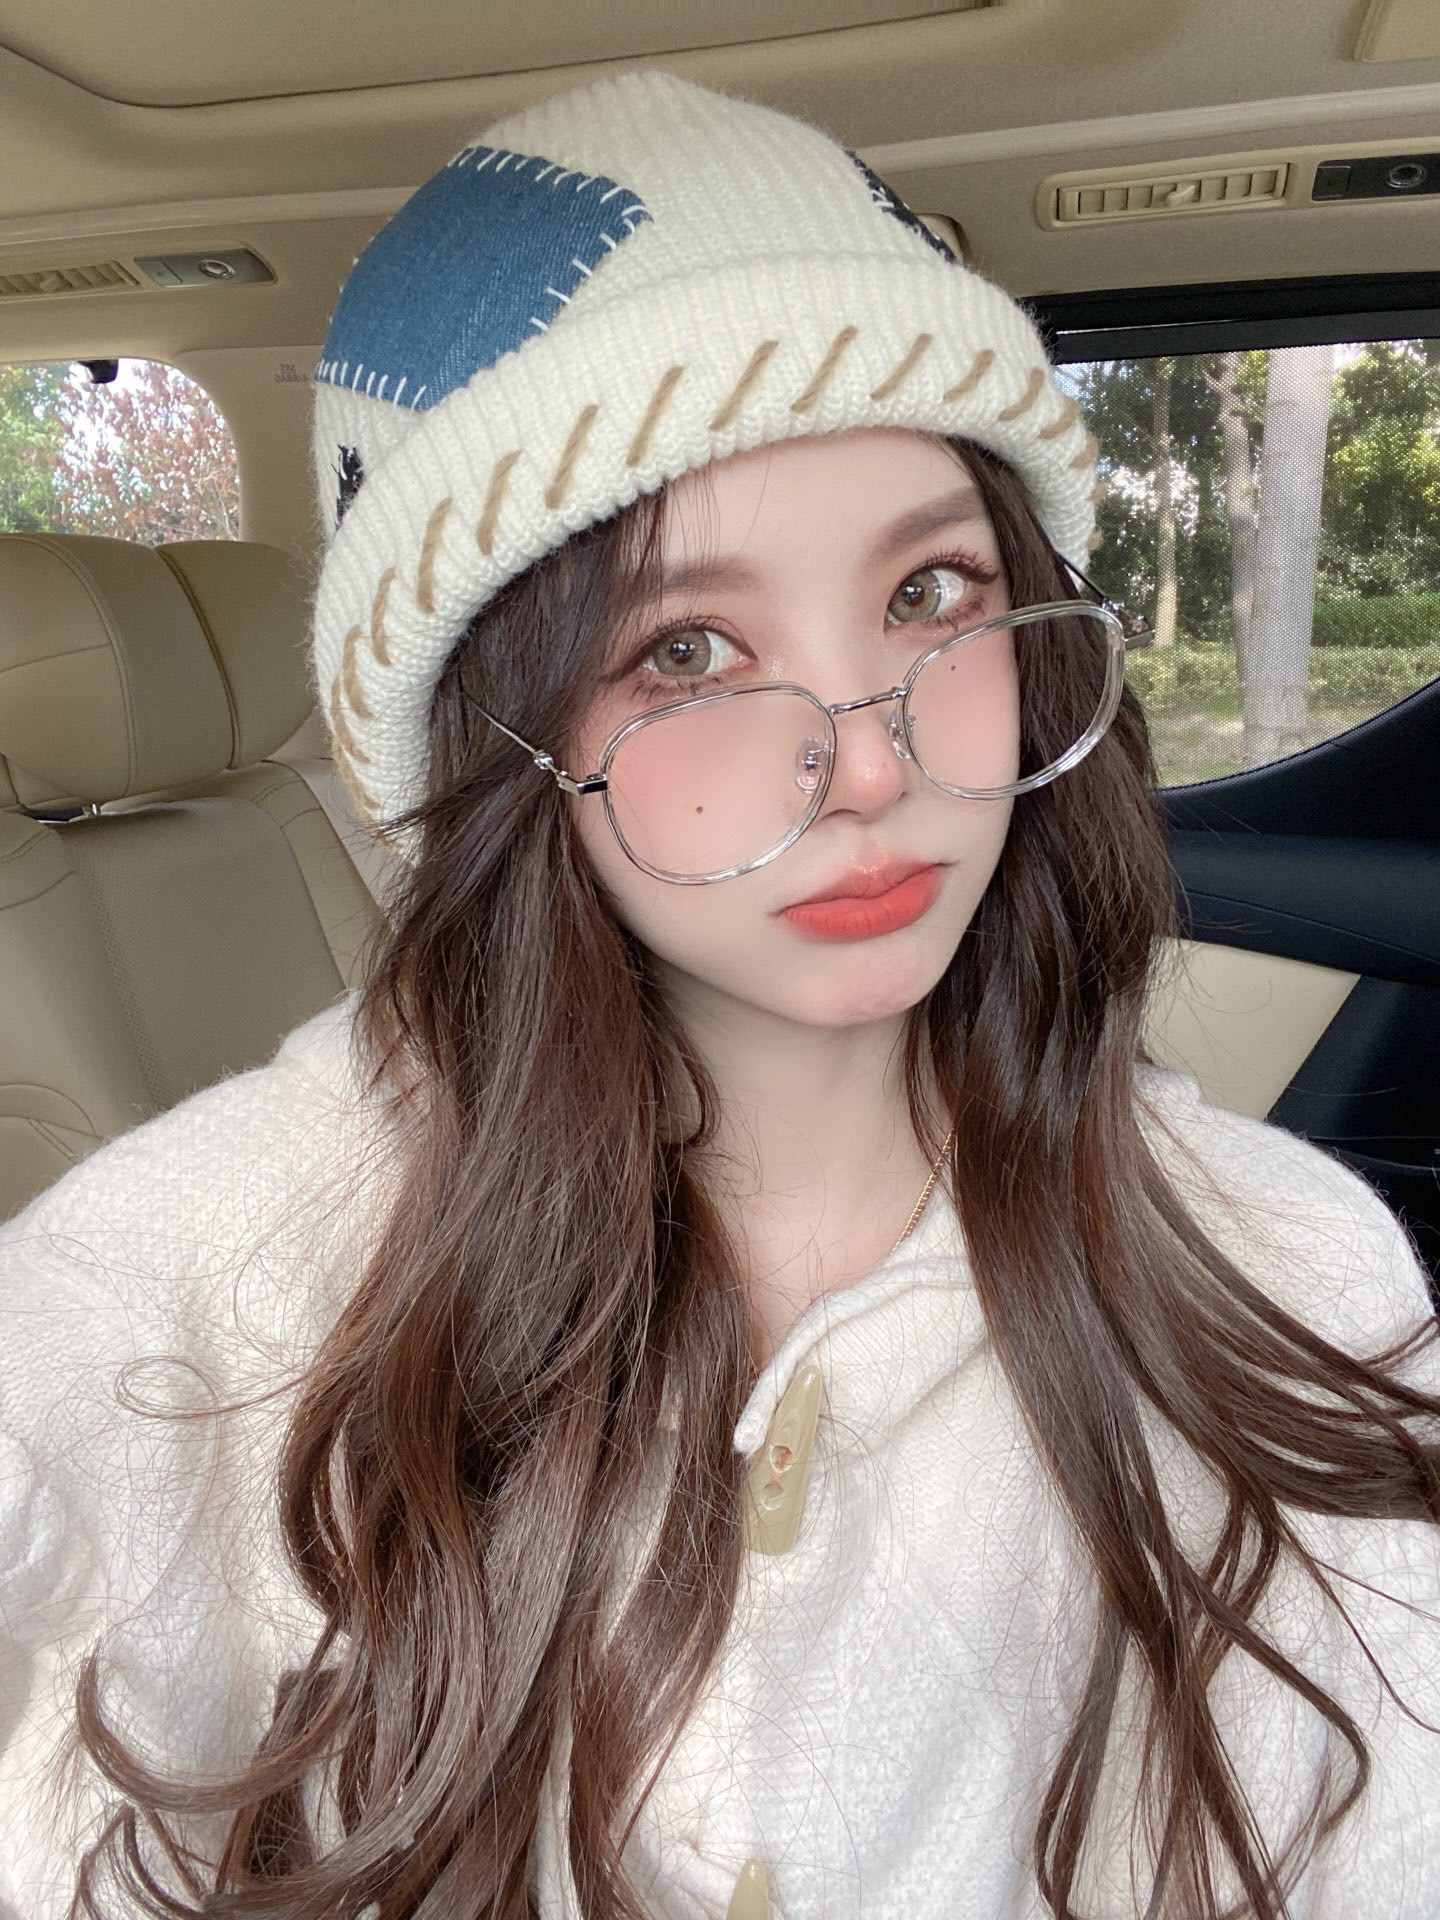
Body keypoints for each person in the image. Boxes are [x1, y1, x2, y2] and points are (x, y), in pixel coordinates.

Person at [2, 66, 1439, 1920]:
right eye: (687, 649)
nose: (871, 763)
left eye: (931, 593)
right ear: (501, 750)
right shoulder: (208, 1281)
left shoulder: (1293, 1271)